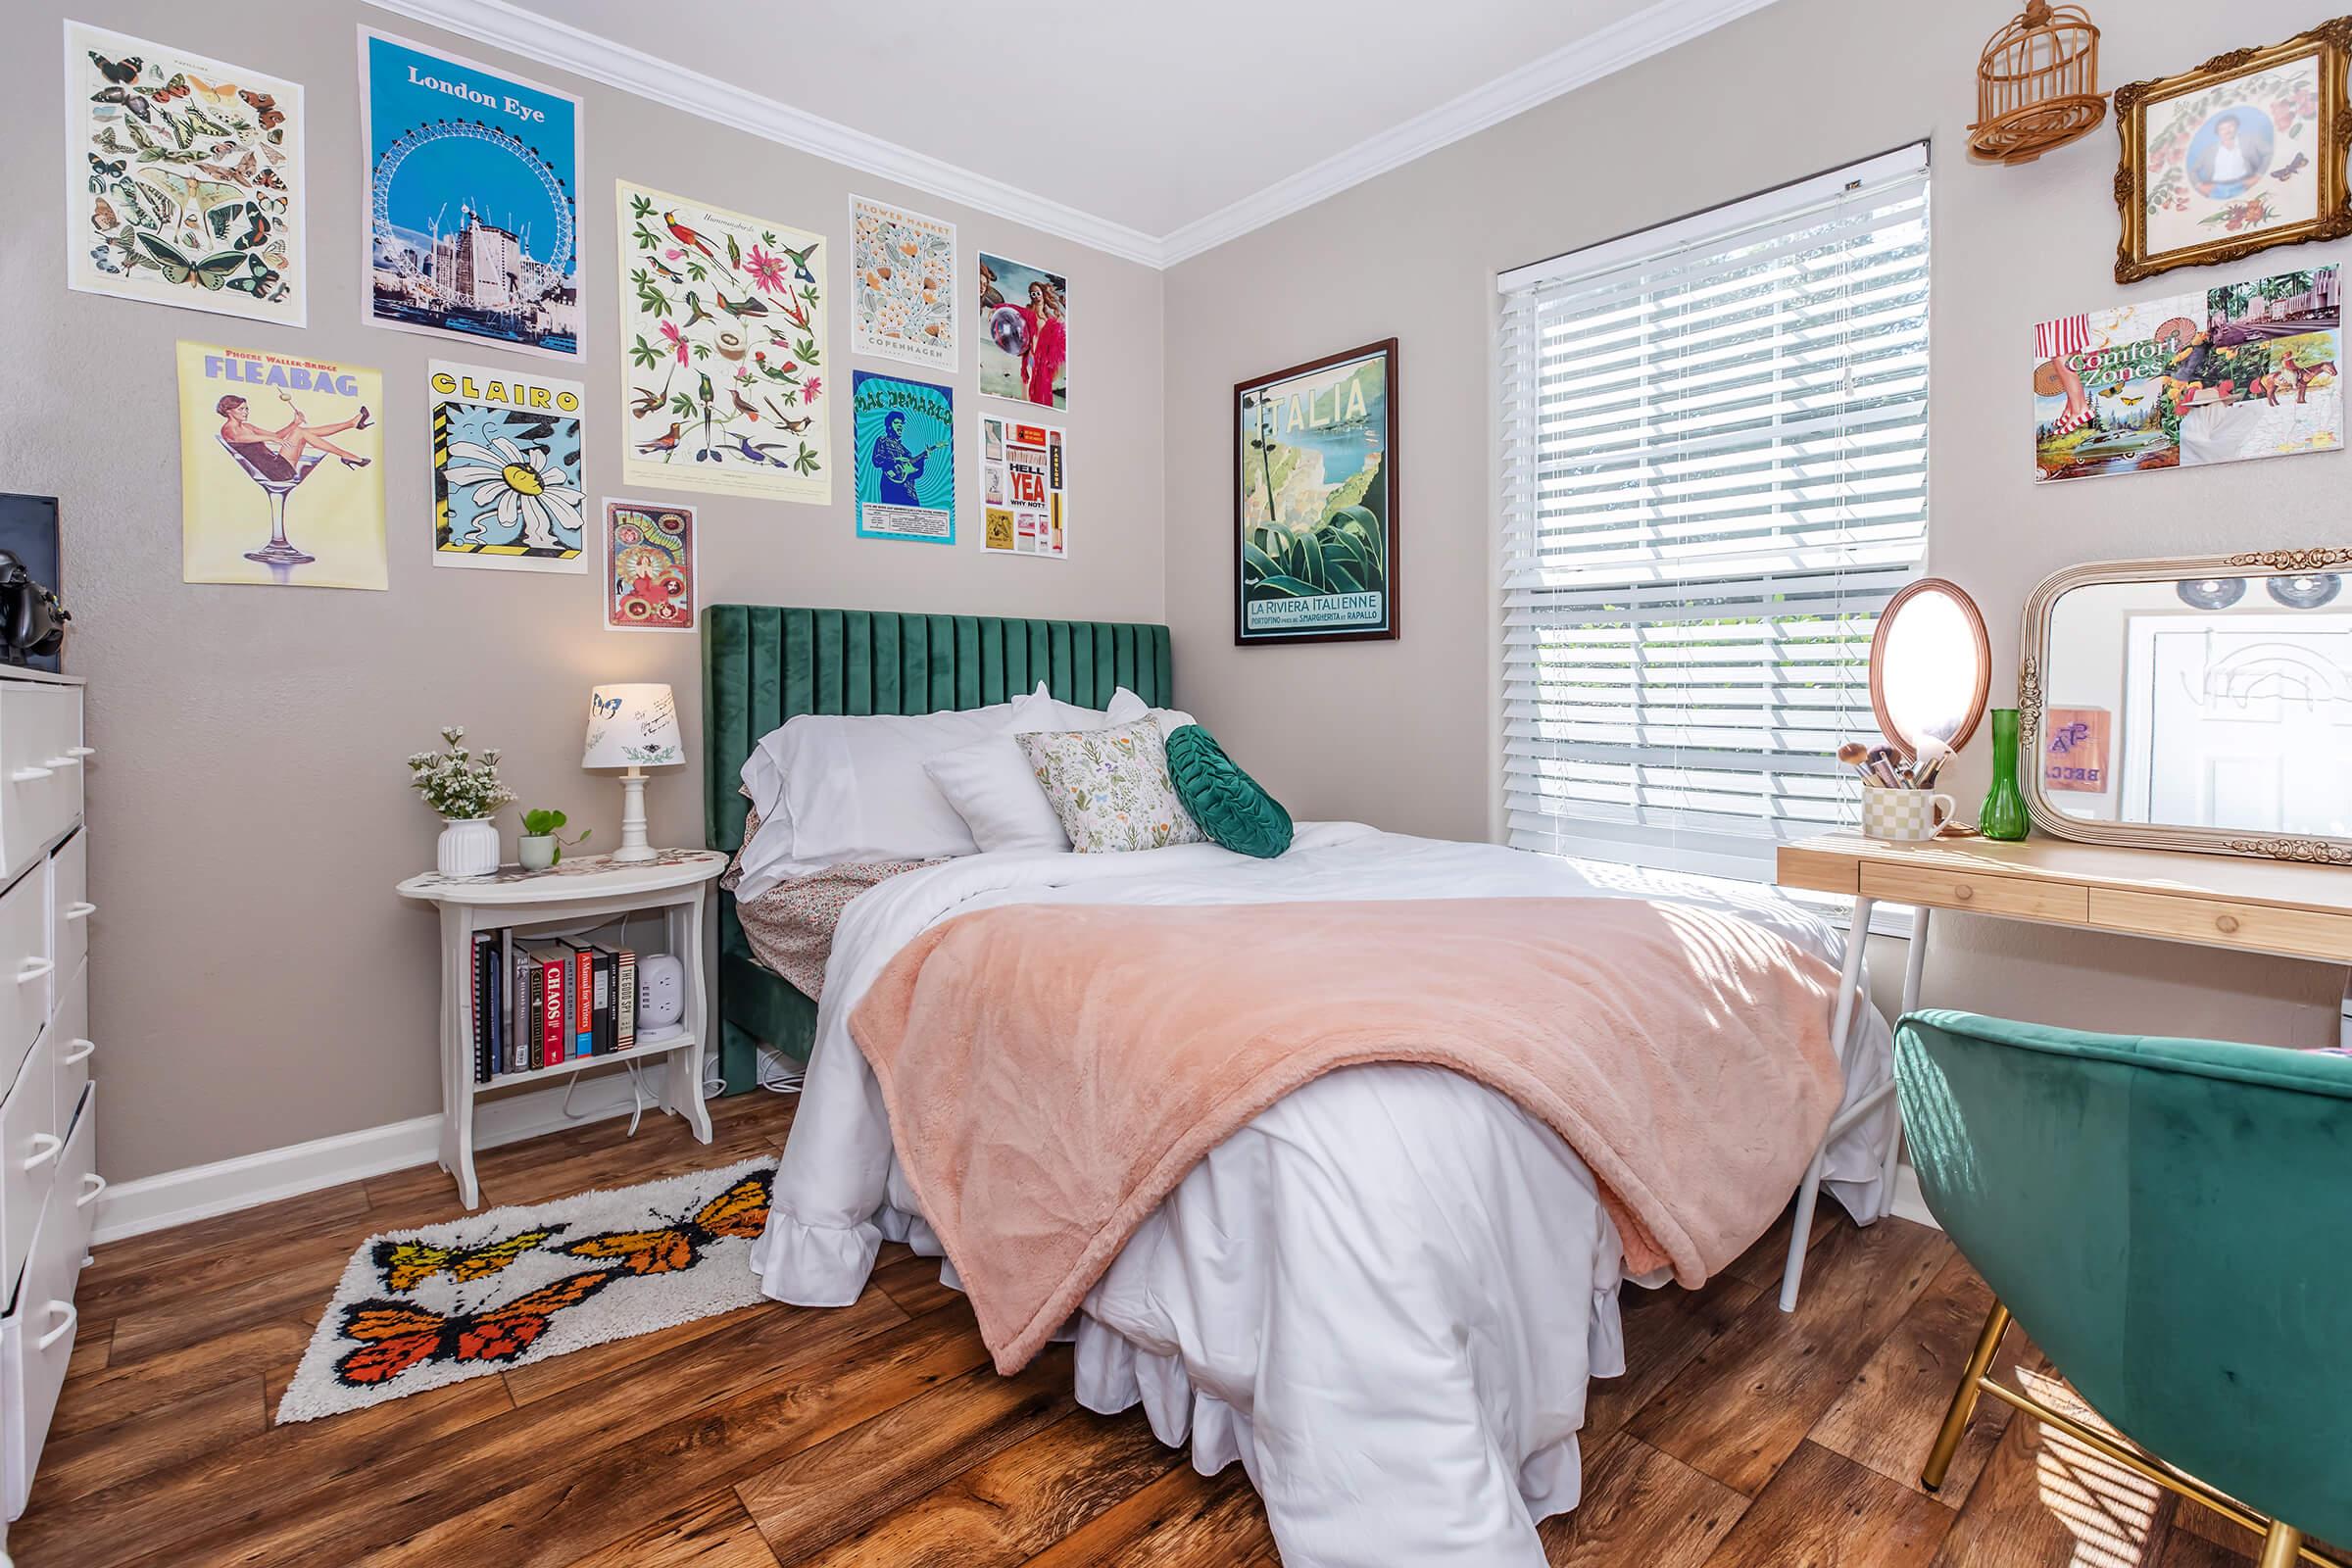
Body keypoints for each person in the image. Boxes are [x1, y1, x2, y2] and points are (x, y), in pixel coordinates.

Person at [216, 392, 371, 477]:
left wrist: (294, 423)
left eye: (246, 408)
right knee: (300, 433)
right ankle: (347, 454)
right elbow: (239, 439)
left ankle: (351, 424)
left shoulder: (248, 426)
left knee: (302, 431)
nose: (245, 412)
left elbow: (277, 435)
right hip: (274, 471)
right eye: (241, 409)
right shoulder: (228, 429)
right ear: (229, 411)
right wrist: (269, 438)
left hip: (277, 463)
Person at [867, 411, 933, 507]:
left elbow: (916, 473)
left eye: (901, 423)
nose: (900, 426)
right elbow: (877, 459)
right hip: (892, 487)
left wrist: (923, 459)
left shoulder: (906, 451)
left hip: (910, 494)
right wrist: (896, 459)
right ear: (889, 425)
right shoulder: (883, 440)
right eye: (896, 423)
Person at [2192, 114, 2262, 199]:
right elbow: (2193, 170)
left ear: (2237, 127)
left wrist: (2259, 175)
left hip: (2245, 184)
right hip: (2217, 190)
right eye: (2222, 129)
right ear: (2217, 132)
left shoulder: (2248, 142)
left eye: (2230, 126)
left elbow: (2268, 154)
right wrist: (2200, 186)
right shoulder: (2208, 151)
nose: (2227, 131)